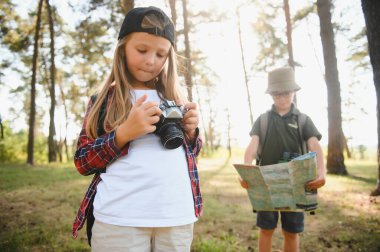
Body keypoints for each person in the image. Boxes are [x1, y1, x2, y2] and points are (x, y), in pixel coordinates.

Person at [71, 6, 202, 251]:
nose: (151, 60)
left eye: (161, 54)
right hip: (120, 220)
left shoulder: (175, 99)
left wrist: (192, 133)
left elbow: (189, 156)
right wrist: (122, 134)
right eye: (141, 50)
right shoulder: (104, 101)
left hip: (176, 216)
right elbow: (82, 161)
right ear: (122, 49)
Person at [239, 67, 326, 252]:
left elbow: (315, 147)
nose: (282, 98)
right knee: (266, 229)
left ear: (293, 92)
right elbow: (252, 148)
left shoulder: (303, 120)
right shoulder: (263, 120)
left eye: (286, 93)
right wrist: (246, 170)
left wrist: (321, 172)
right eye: (277, 94)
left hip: (296, 185)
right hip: (267, 185)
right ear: (271, 95)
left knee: (292, 231)